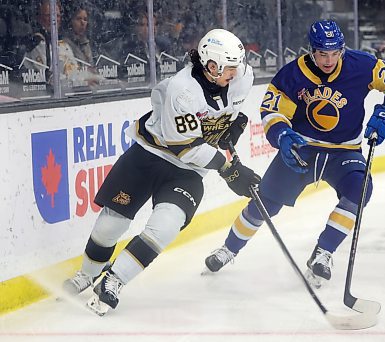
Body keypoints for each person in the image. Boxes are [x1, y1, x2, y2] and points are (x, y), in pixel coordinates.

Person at [63, 28, 261, 315]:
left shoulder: (242, 76)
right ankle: (87, 273)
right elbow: (187, 148)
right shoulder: (182, 91)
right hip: (149, 157)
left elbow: (231, 114)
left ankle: (114, 280)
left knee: (166, 225)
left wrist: (234, 126)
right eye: (229, 67)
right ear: (211, 65)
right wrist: (228, 168)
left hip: (187, 174)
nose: (236, 72)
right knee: (110, 225)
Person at [204, 20, 385, 288]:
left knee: (360, 190)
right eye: (323, 53)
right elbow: (272, 112)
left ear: (342, 49)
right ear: (311, 51)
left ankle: (323, 253)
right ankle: (229, 249)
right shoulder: (292, 75)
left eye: (335, 53)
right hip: (303, 149)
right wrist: (282, 136)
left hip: (344, 151)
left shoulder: (362, 65)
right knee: (265, 203)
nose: (329, 59)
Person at [23, 0, 79, 81]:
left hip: (69, 91)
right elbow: (47, 76)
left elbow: (75, 71)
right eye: (48, 15)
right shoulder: (36, 42)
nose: (54, 19)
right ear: (40, 18)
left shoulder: (64, 44)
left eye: (57, 16)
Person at [62, 1, 94, 65]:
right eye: (79, 19)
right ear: (71, 21)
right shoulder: (64, 44)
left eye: (85, 19)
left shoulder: (87, 43)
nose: (83, 23)